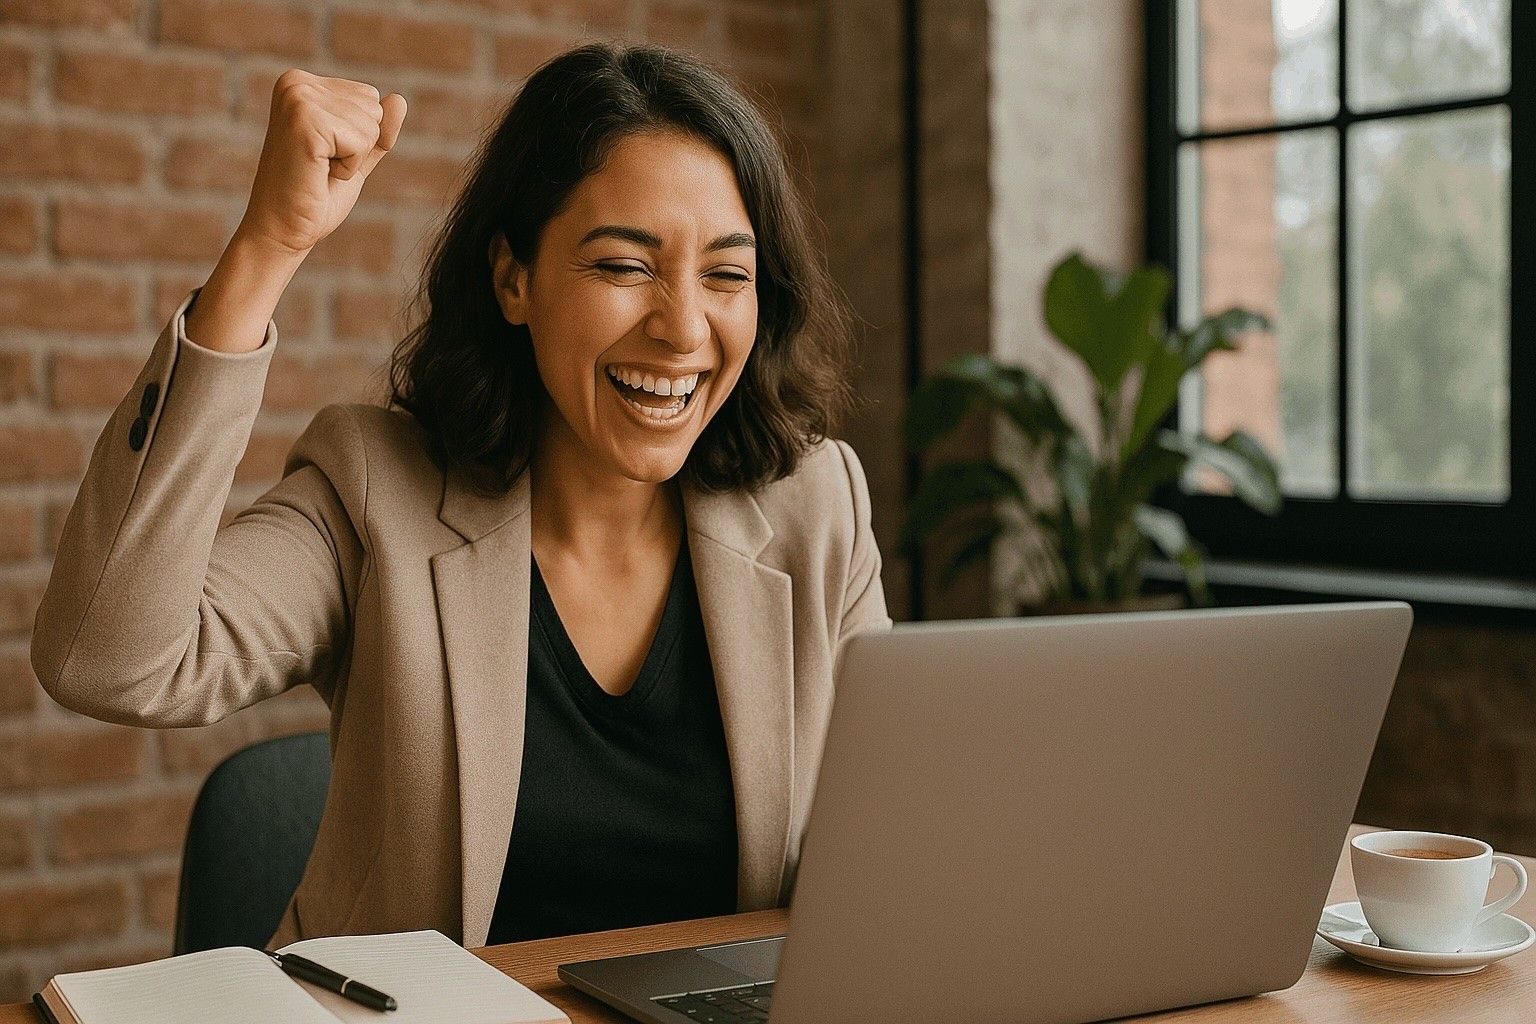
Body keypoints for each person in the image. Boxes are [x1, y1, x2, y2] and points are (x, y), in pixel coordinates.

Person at [29, 42, 891, 951]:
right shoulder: (376, 495)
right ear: (513, 279)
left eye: (727, 274)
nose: (683, 329)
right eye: (622, 266)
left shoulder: (816, 507)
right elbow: (107, 659)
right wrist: (268, 248)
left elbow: (894, 841)